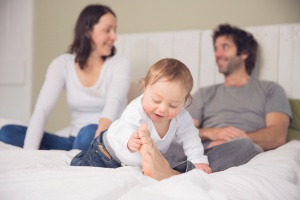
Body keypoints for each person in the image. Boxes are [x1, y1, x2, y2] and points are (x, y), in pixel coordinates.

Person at [0, 4, 131, 150]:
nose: (114, 36)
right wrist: (29, 152)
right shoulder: (62, 64)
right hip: (74, 140)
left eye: (114, 30)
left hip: (103, 137)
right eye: (107, 30)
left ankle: (87, 150)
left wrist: (98, 144)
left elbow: (113, 103)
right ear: (87, 31)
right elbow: (42, 109)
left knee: (88, 133)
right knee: (7, 133)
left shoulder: (120, 63)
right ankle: (77, 152)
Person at [164, 24, 293, 172]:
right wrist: (212, 133)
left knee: (245, 146)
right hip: (201, 149)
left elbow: (277, 136)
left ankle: (176, 170)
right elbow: (181, 131)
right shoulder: (204, 93)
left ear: (244, 52)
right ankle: (188, 169)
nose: (217, 54)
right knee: (162, 142)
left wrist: (234, 138)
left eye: (224, 47)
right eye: (216, 49)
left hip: (238, 148)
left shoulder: (270, 89)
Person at [70, 58, 212, 180]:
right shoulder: (136, 110)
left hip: (131, 164)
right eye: (156, 100)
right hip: (106, 153)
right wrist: (129, 139)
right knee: (82, 169)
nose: (162, 109)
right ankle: (79, 157)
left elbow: (190, 137)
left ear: (184, 101)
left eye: (173, 105)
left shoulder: (181, 117)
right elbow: (123, 127)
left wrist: (197, 160)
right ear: (145, 88)